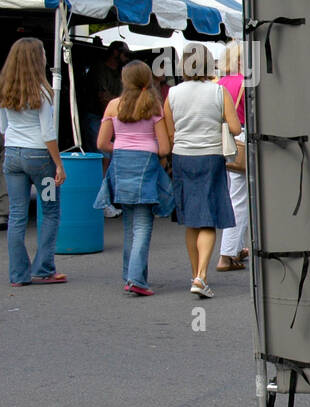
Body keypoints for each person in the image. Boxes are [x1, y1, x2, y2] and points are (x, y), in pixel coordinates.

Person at [164, 46, 239, 297]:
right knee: (207, 218)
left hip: (182, 157)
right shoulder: (219, 92)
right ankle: (201, 276)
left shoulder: (173, 93)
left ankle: (195, 272)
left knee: (191, 220)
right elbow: (236, 128)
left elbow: (170, 129)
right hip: (211, 156)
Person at [94, 61, 174, 295]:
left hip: (120, 164)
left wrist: (119, 146)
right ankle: (137, 279)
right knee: (142, 225)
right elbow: (164, 148)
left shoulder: (113, 106)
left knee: (130, 225)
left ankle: (130, 275)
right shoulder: (153, 107)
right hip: (145, 166)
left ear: (124, 80)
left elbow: (101, 143)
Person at [1, 38, 67, 286]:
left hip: (13, 156)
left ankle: (18, 275)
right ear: (36, 58)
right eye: (42, 53)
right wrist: (58, 164)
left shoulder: (5, 88)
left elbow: (3, 127)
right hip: (40, 158)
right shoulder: (43, 92)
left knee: (17, 214)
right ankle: (44, 267)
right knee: (50, 210)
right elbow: (48, 133)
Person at [214, 41, 249, 273]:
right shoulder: (245, 83)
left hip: (222, 142)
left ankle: (235, 248)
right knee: (240, 199)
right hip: (242, 139)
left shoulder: (218, 84)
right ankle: (227, 253)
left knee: (235, 195)